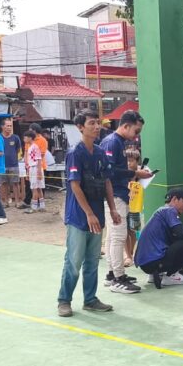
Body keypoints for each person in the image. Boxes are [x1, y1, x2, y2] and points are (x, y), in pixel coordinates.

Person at [57, 110, 121, 318]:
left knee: (93, 260)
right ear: (80, 127)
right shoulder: (74, 153)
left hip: (97, 214)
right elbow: (75, 186)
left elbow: (107, 181)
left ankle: (90, 299)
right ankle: (64, 300)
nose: (96, 127)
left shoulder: (101, 153)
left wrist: (112, 208)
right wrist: (89, 214)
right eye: (92, 123)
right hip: (78, 216)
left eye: (98, 123)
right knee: (74, 261)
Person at [100, 110, 152, 295]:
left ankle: (112, 274)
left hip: (119, 193)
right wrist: (136, 173)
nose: (136, 136)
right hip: (115, 194)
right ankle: (118, 278)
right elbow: (109, 170)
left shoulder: (117, 142)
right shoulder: (112, 142)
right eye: (136, 131)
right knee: (118, 236)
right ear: (126, 126)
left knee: (113, 236)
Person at [135, 188, 183, 287]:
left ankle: (155, 274)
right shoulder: (169, 210)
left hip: (146, 265)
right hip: (154, 262)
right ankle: (172, 275)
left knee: (175, 241)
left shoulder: (160, 211)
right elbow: (181, 233)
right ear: (175, 199)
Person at [125, 149, 145, 264]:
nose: (129, 163)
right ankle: (128, 255)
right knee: (124, 232)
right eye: (127, 161)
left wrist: (137, 174)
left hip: (135, 207)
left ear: (137, 161)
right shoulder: (123, 173)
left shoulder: (141, 174)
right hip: (124, 204)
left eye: (131, 161)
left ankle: (131, 252)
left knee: (132, 231)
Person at [0, 118, 23, 207]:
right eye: (7, 126)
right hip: (2, 165)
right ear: (2, 127)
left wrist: (16, 159)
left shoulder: (15, 138)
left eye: (10, 126)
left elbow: (18, 150)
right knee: (3, 184)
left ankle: (17, 202)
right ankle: (5, 201)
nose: (9, 127)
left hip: (14, 165)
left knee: (16, 183)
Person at [24, 130, 45, 212]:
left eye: (25, 137)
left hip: (35, 168)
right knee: (38, 187)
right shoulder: (30, 147)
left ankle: (34, 207)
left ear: (30, 138)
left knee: (35, 188)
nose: (24, 139)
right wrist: (28, 172)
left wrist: (39, 171)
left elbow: (39, 159)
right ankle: (42, 206)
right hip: (32, 168)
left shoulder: (34, 147)